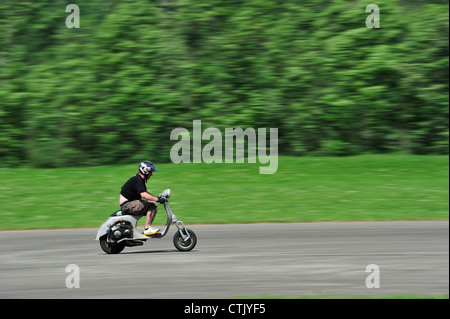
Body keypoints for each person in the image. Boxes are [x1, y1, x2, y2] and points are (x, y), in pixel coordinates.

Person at [119, 160, 166, 236]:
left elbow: (145, 192)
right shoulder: (138, 180)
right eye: (151, 172)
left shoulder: (139, 179)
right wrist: (157, 200)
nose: (151, 174)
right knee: (153, 205)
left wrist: (156, 197)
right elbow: (144, 195)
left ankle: (146, 228)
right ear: (146, 171)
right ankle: (147, 228)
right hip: (127, 205)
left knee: (152, 202)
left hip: (129, 203)